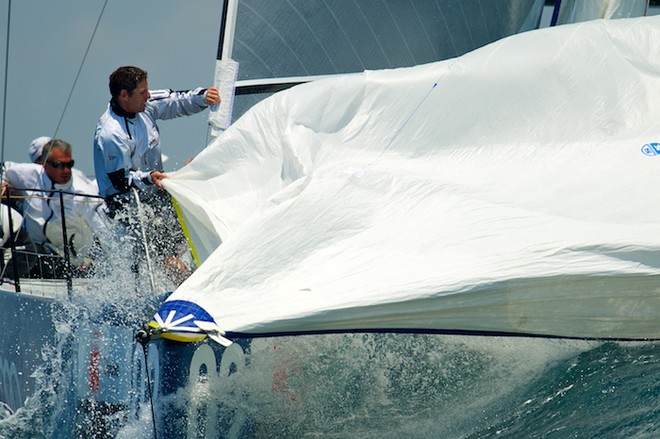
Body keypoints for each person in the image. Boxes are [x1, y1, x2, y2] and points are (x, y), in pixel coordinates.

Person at [93, 66, 220, 283]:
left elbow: (175, 101)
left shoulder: (145, 105)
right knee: (165, 254)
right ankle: (193, 291)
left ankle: (209, 277)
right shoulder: (111, 133)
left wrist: (203, 97)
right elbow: (120, 180)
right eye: (142, 92)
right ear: (124, 95)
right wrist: (148, 177)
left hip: (155, 191)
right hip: (126, 204)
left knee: (194, 223)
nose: (148, 95)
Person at [3, 139, 109, 277]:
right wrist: (3, 184)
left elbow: (104, 230)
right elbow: (4, 168)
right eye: (59, 165)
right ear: (45, 165)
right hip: (34, 251)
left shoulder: (83, 192)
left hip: (67, 263)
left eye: (69, 164)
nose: (66, 170)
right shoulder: (31, 173)